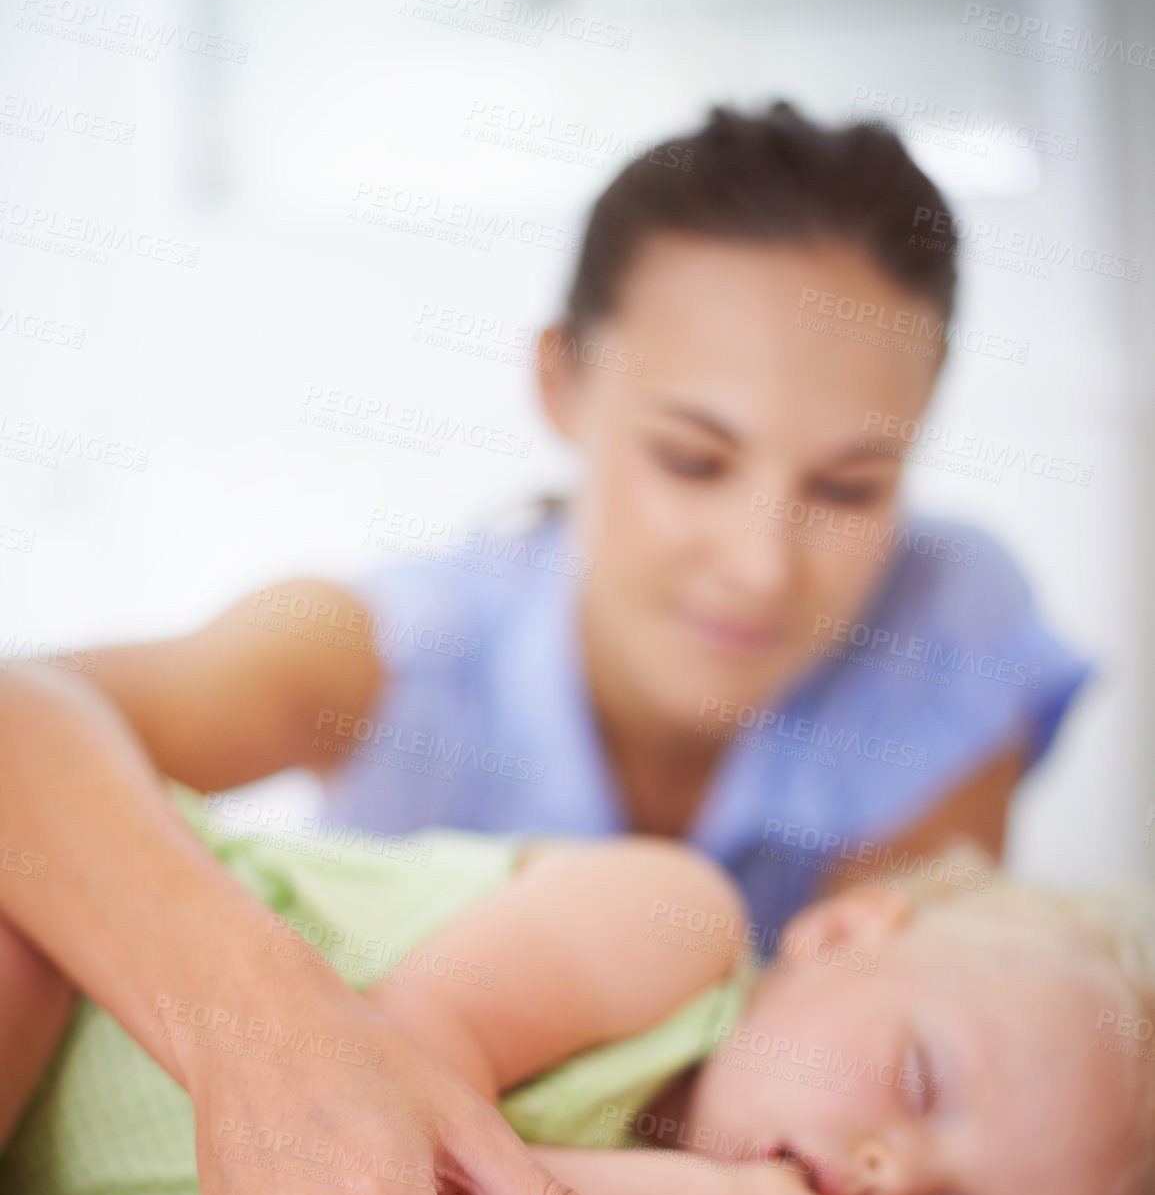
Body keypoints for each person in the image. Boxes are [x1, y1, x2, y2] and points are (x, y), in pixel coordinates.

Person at [81, 102, 1091, 946]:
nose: (759, 566)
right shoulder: (390, 655)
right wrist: (265, 1030)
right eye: (692, 462)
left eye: (849, 489)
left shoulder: (945, 622)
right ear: (560, 384)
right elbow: (24, 723)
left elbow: (864, 1077)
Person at [4, 764, 1151, 1195]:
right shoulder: (671, 927)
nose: (890, 1172)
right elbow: (389, 1078)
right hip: (64, 928)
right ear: (844, 934)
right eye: (918, 1078)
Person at [0, 664, 657, 1195]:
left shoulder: (667, 1123)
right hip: (64, 918)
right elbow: (418, 1034)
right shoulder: (681, 924)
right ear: (815, 937)